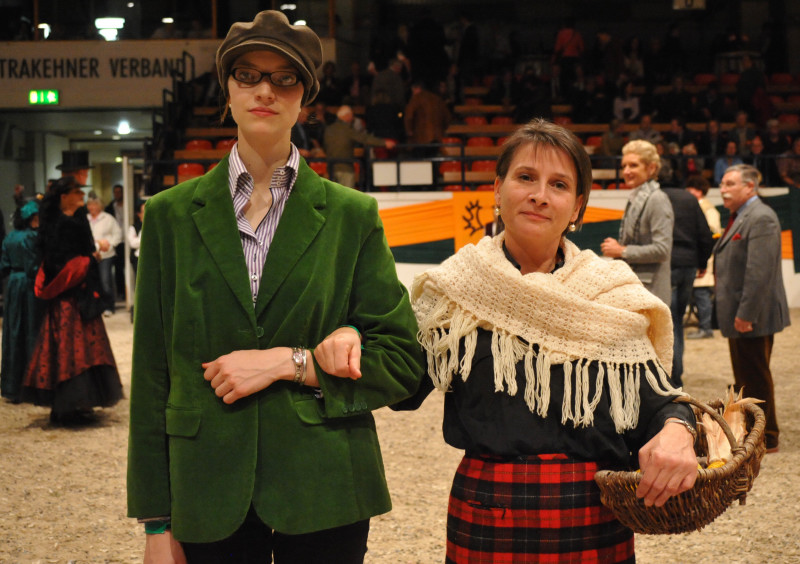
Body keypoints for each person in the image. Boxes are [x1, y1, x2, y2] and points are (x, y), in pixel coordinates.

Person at [126, 11, 424, 563]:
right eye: (248, 74)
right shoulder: (168, 216)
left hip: (325, 485)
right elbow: (151, 377)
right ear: (229, 91)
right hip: (206, 489)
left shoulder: (351, 215)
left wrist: (289, 361)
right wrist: (155, 522)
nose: (265, 88)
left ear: (304, 98)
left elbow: (404, 363)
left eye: (284, 77)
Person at [326, 119, 698, 562]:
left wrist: (679, 428)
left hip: (596, 519)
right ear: (497, 190)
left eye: (558, 184)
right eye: (526, 178)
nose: (540, 194)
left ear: (578, 207)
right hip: (488, 516)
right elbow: (401, 385)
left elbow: (659, 400)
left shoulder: (612, 293)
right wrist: (352, 332)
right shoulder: (454, 293)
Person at [21, 176, 123, 424]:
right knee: (67, 349)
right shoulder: (56, 224)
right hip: (66, 297)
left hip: (83, 293)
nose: (81, 195)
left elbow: (84, 250)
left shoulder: (78, 219)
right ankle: (66, 405)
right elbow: (57, 262)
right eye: (77, 191)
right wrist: (89, 261)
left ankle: (81, 403)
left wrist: (89, 262)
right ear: (64, 196)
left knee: (88, 349)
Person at [714, 164, 788, 453]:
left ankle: (767, 435)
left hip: (753, 314)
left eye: (730, 183)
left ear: (750, 187)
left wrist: (747, 313)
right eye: (722, 183)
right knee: (745, 374)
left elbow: (759, 273)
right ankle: (751, 428)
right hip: (740, 312)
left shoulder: (761, 218)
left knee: (755, 374)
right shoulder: (742, 216)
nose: (723, 188)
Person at [601, 139, 674, 304]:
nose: (626, 171)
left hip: (651, 292)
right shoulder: (637, 197)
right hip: (636, 288)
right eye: (624, 166)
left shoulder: (657, 199)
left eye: (633, 165)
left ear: (651, 168)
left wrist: (622, 251)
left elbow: (662, 250)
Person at [662, 182, 714, 386]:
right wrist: (701, 263)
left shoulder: (654, 197)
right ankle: (676, 375)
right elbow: (705, 235)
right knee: (676, 320)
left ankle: (670, 377)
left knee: (666, 323)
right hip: (688, 265)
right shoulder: (689, 198)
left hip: (664, 265)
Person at [0, 201, 43, 403]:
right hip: (30, 286)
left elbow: (3, 266)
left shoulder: (9, 238)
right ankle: (32, 385)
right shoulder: (33, 237)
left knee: (14, 332)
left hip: (13, 286)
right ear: (32, 218)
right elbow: (34, 266)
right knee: (32, 330)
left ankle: (12, 386)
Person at [323, 104, 396, 188]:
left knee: (333, 197)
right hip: (345, 169)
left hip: (330, 168)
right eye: (351, 115)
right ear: (347, 116)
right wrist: (384, 143)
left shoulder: (329, 129)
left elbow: (325, 147)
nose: (352, 118)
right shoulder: (347, 129)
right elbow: (365, 139)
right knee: (348, 197)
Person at [686, 175, 721, 340]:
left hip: (704, 257)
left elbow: (713, 234)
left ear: (699, 191)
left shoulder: (709, 210)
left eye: (690, 189)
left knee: (702, 294)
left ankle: (706, 328)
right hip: (697, 256)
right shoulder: (697, 208)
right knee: (698, 293)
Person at [86, 193, 122, 316]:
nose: (92, 207)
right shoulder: (85, 218)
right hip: (91, 254)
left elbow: (118, 235)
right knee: (92, 282)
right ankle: (96, 306)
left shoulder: (108, 218)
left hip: (106, 255)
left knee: (105, 281)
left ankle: (109, 306)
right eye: (90, 204)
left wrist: (109, 245)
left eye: (95, 204)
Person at [404, 81, 451, 157]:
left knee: (422, 163)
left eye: (413, 91)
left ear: (417, 88)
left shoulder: (416, 99)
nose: (412, 93)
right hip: (437, 137)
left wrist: (409, 131)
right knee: (433, 161)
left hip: (420, 138)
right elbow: (447, 117)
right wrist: (442, 129)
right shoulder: (437, 99)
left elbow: (409, 116)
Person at [105, 183, 126, 297]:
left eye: (119, 192)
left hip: (126, 239)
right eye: (115, 192)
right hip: (117, 241)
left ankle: (126, 292)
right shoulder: (110, 207)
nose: (117, 194)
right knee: (117, 268)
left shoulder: (129, 204)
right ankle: (120, 292)